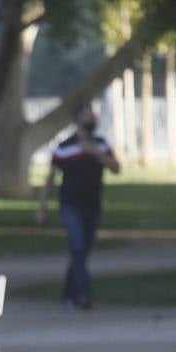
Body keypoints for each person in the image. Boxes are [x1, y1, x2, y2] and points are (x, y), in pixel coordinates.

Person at [37, 103, 121, 310]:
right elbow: (50, 178)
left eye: (93, 115)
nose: (92, 119)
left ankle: (68, 294)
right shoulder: (64, 147)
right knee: (78, 247)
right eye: (87, 115)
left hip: (93, 204)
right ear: (78, 120)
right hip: (70, 205)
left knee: (81, 252)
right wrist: (42, 207)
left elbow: (116, 167)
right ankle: (83, 295)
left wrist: (95, 153)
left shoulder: (101, 144)